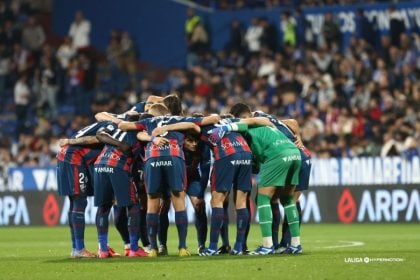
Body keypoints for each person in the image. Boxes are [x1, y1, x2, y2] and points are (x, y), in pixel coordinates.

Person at [119, 103, 219, 257]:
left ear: (154, 113)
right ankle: (182, 248)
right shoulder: (178, 119)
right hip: (173, 155)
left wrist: (152, 135)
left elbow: (123, 125)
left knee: (153, 203)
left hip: (152, 158)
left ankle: (153, 248)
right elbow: (205, 121)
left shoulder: (148, 122)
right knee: (178, 201)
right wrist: (171, 128)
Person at [209, 118, 303, 255]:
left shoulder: (247, 130)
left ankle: (267, 245)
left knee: (263, 199)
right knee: (288, 199)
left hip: (278, 155)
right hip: (295, 154)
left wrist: (227, 128)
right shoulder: (266, 127)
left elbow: (243, 125)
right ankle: (296, 245)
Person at [93, 116, 161, 258]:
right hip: (118, 165)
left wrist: (117, 143)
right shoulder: (141, 132)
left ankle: (103, 250)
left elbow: (99, 134)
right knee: (133, 205)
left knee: (103, 207)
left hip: (99, 164)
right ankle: (134, 248)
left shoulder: (117, 128)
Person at [57, 121, 112, 258]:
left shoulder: (107, 122)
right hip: (73, 158)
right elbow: (96, 138)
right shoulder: (113, 131)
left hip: (66, 155)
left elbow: (99, 115)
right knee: (80, 202)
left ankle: (76, 248)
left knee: (74, 202)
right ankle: (79, 249)